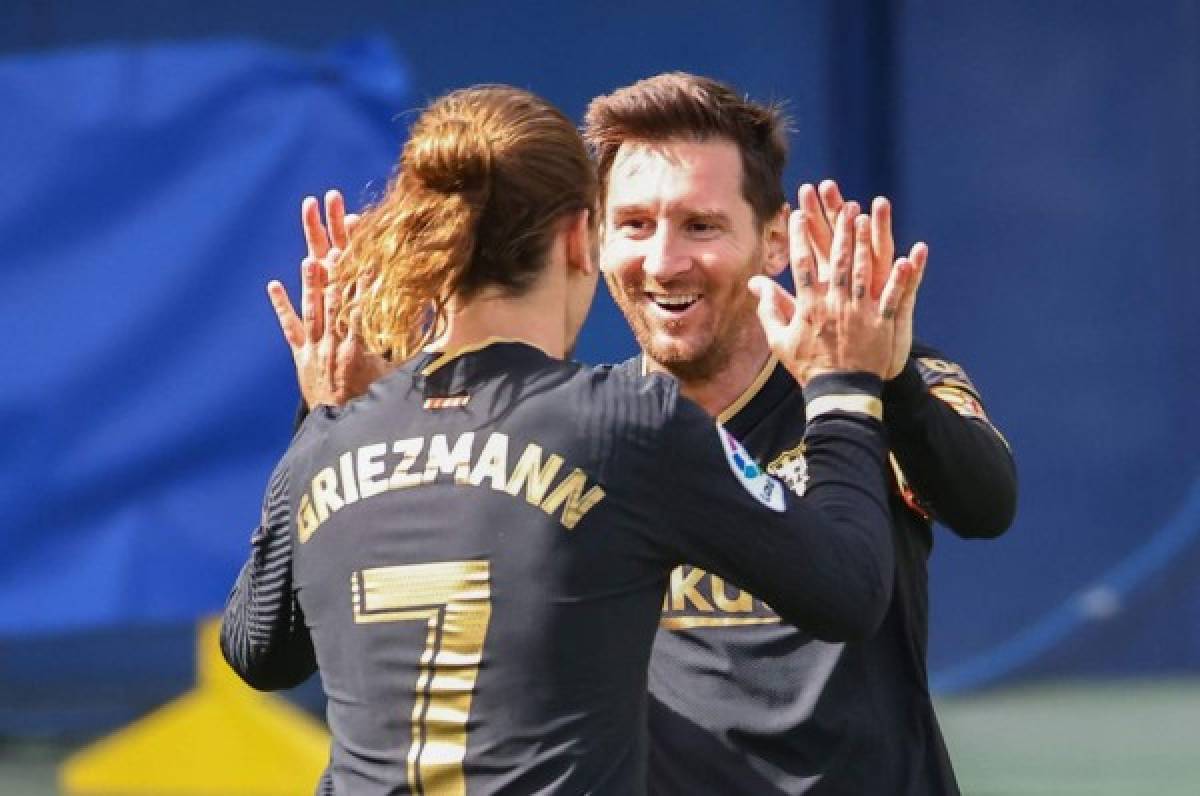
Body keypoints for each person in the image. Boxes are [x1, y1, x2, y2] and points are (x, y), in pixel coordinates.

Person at [221, 84, 924, 795]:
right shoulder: (624, 421)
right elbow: (850, 591)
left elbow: (257, 652)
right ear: (577, 239)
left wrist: (328, 411)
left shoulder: (332, 438)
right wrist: (842, 386)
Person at [581, 72, 1017, 795]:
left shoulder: (876, 386)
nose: (662, 261)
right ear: (595, 240)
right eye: (634, 225)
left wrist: (886, 376)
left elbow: (986, 503)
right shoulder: (590, 426)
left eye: (701, 225)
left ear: (775, 240)